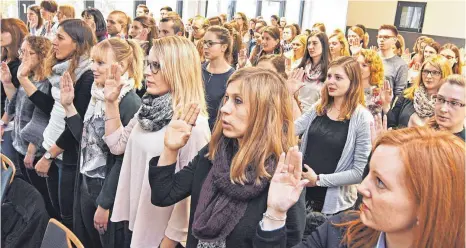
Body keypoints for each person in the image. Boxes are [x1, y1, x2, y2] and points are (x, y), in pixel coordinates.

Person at [149, 67, 305, 247]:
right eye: (226, 98)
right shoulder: (214, 154)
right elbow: (163, 194)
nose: (224, 108)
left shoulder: (284, 174)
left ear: (265, 111)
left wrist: (275, 214)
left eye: (238, 101)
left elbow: (289, 242)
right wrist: (170, 149)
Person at [254, 127, 465, 248]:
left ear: (426, 203)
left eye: (380, 182)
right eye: (369, 174)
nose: (363, 188)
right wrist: (276, 212)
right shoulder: (340, 232)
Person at [103, 36, 210, 248]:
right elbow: (116, 146)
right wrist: (110, 102)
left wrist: (167, 244)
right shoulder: (147, 109)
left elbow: (189, 199)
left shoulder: (193, 124)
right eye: (148, 64)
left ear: (177, 70)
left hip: (160, 237)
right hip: (135, 223)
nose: (147, 72)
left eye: (156, 66)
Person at [61, 37, 143, 248]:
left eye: (100, 63)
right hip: (87, 183)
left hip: (106, 192)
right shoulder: (97, 94)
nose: (93, 68)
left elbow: (122, 160)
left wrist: (105, 204)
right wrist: (69, 107)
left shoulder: (129, 101)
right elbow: (88, 141)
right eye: (93, 62)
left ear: (122, 65)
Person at [26, 19, 96, 230]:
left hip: (66, 154)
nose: (53, 42)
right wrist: (21, 78)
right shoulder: (61, 70)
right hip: (51, 145)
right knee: (55, 210)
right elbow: (53, 108)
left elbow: (77, 123)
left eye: (60, 37)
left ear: (77, 43)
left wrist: (49, 156)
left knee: (67, 217)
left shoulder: (87, 75)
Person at [296, 56, 372, 214]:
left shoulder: (362, 118)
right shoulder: (320, 107)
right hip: (302, 192)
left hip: (332, 204)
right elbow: (293, 129)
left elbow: (359, 172)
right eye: (329, 76)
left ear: (353, 82)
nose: (331, 81)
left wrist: (318, 180)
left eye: (338, 77)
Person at [2, 35, 59, 221]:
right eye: (22, 51)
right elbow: (15, 102)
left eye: (30, 52)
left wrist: (31, 149)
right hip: (21, 145)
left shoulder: (46, 81)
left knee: (41, 195)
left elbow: (42, 116)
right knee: (30, 191)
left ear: (42, 55)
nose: (24, 56)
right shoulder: (30, 76)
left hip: (35, 150)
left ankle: (46, 228)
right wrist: (7, 83)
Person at [385, 55, 452, 128]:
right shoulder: (408, 94)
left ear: (444, 75)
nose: (428, 76)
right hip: (401, 138)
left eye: (435, 72)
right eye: (426, 71)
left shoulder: (448, 104)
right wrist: (386, 106)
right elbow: (392, 123)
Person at [0, 18, 29, 168]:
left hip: (10, 125)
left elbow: (16, 100)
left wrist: (2, 123)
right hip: (5, 121)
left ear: (15, 33)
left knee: (10, 171)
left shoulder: (19, 64)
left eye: (3, 31)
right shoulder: (5, 58)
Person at [202, 26, 235, 130]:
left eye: (210, 43)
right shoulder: (198, 69)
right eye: (204, 42)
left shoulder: (232, 77)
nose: (205, 46)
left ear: (224, 47)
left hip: (215, 132)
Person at [296, 31, 330, 112]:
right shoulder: (300, 66)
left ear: (323, 46)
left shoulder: (329, 70)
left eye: (315, 43)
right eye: (309, 43)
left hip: (315, 113)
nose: (310, 47)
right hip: (296, 111)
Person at [428, 74, 465, 140]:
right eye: (440, 99)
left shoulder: (462, 147)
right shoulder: (422, 136)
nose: (443, 109)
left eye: (454, 103)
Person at [377, 25, 408, 97]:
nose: (381, 40)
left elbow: (399, 94)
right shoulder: (370, 58)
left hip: (385, 105)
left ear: (394, 40)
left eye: (386, 37)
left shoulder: (401, 65)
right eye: (380, 37)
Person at [357, 49, 385, 115]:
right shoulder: (350, 86)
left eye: (364, 65)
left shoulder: (378, 92)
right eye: (357, 63)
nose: (358, 67)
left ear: (373, 68)